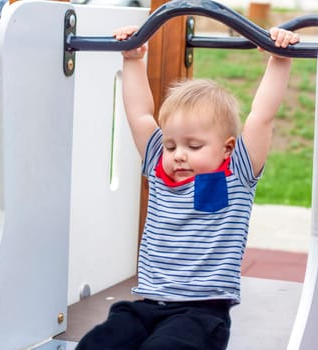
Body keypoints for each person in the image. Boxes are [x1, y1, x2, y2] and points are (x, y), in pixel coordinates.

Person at [76, 25, 299, 350]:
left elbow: (261, 117)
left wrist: (279, 60)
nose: (178, 154)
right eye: (171, 145)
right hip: (147, 304)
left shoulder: (236, 172)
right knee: (99, 342)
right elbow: (139, 115)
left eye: (193, 146)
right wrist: (133, 59)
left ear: (227, 148)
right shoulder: (158, 164)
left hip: (201, 314)